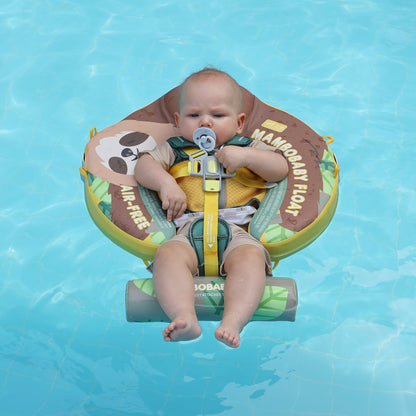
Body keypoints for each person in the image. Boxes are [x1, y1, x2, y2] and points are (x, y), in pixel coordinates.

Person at [134, 68, 288, 348]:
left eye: (217, 116)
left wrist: (246, 156)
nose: (205, 122)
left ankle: (233, 322)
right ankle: (184, 317)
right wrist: (166, 183)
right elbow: (144, 166)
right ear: (179, 121)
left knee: (250, 260)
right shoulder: (175, 149)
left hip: (238, 234)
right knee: (167, 255)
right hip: (187, 231)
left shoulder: (247, 147)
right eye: (194, 116)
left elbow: (279, 168)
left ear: (239, 122)